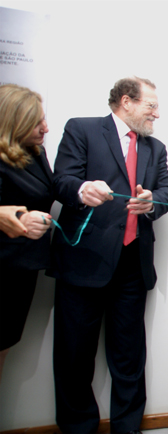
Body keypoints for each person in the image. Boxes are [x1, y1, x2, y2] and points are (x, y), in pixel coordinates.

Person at [49, 77, 168, 434]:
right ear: (126, 101)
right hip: (84, 262)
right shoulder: (82, 130)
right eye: (151, 106)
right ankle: (79, 429)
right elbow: (61, 181)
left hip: (133, 267)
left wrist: (153, 201)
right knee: (74, 356)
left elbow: (167, 191)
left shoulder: (156, 148)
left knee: (130, 357)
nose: (157, 114)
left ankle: (128, 428)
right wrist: (82, 189)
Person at [0, 84, 53, 383]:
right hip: (3, 265)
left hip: (21, 272)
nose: (46, 128)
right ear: (13, 122)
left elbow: (50, 190)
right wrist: (21, 218)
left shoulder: (35, 153)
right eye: (36, 122)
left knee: (4, 346)